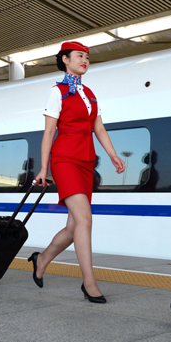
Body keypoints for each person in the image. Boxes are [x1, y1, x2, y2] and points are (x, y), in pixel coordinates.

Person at [31, 41, 126, 303]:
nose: (85, 60)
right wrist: (43, 167)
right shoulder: (57, 91)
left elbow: (99, 129)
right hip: (64, 160)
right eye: (79, 56)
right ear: (65, 60)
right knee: (85, 220)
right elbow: (49, 131)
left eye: (87, 56)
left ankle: (41, 259)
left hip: (86, 162)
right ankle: (89, 283)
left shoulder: (90, 94)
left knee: (74, 227)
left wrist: (113, 155)